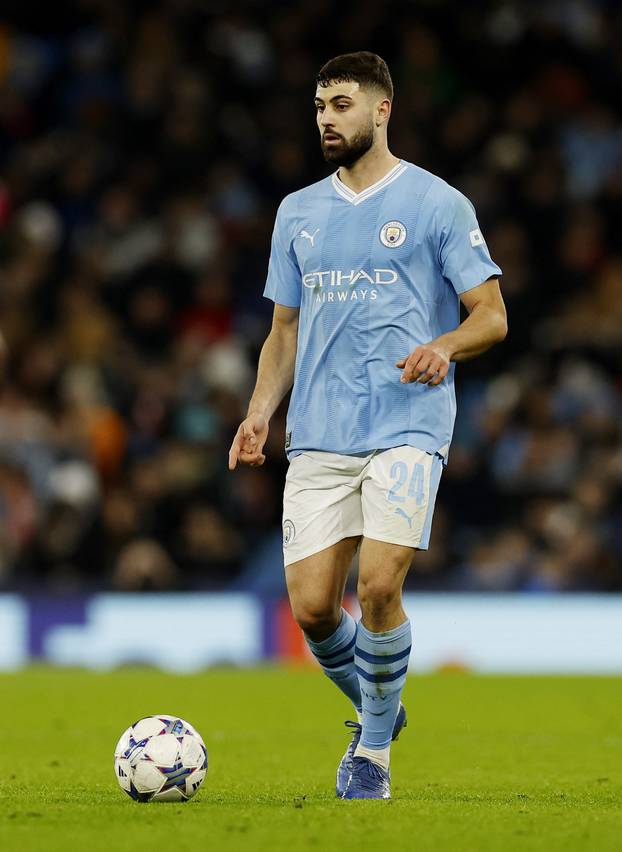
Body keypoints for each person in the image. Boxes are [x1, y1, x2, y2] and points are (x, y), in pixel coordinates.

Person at [228, 51, 507, 799]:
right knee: (315, 608)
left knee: (378, 586)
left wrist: (444, 345)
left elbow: (492, 316)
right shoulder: (297, 212)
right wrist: (259, 413)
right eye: (320, 105)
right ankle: (383, 706)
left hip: (407, 425)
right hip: (318, 431)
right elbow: (283, 330)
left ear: (382, 110)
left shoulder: (436, 203)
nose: (326, 117)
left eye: (342, 104)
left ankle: (372, 757)